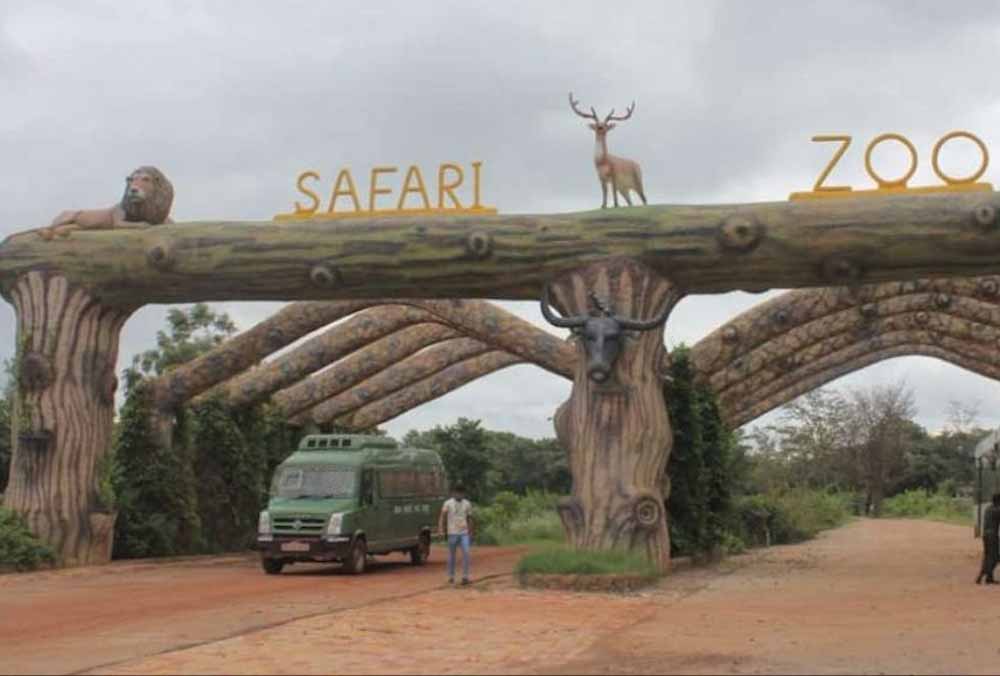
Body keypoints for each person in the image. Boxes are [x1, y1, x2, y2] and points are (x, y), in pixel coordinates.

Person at [438, 483, 474, 585]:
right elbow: (442, 516)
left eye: (461, 493)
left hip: (464, 533)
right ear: (453, 493)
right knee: (452, 555)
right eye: (457, 493)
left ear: (463, 494)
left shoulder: (467, 504)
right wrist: (441, 528)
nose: (459, 495)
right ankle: (451, 576)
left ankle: (465, 576)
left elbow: (470, 518)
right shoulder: (448, 503)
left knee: (466, 553)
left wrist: (471, 532)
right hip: (452, 532)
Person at [977, 492, 1000, 584]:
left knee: (988, 556)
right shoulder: (997, 510)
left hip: (985, 535)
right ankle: (981, 575)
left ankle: (989, 578)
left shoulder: (988, 508)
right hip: (992, 536)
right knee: (994, 557)